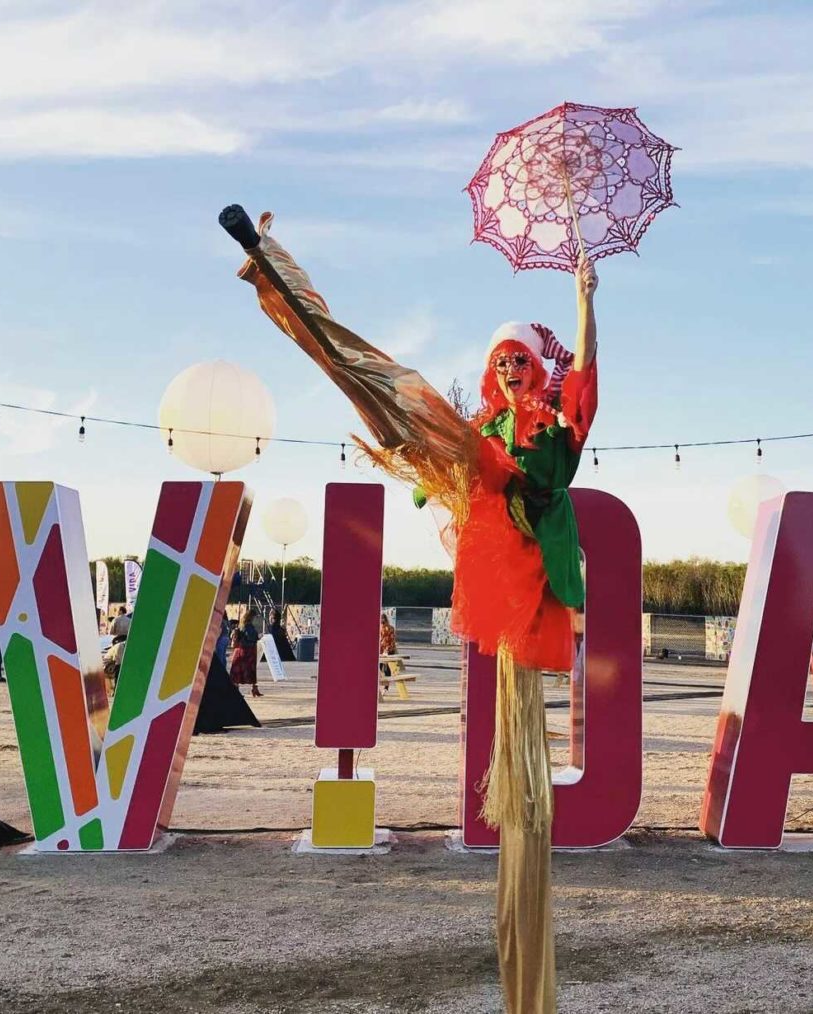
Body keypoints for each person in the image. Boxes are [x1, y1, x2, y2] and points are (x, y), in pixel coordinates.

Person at [231, 209, 598, 1014]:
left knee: (386, 388)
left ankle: (279, 279)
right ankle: (274, 274)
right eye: (500, 360)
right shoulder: (486, 425)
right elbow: (463, 471)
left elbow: (585, 392)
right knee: (376, 386)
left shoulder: (555, 425)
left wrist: (585, 298)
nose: (509, 370)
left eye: (520, 361)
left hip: (527, 577)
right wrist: (440, 478)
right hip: (482, 513)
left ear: (539, 370)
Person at [229, 609, 262, 697]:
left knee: (238, 671)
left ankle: (237, 690)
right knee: (250, 670)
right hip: (248, 651)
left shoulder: (241, 625)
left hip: (240, 650)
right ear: (251, 617)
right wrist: (259, 636)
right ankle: (254, 689)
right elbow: (252, 637)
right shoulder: (249, 626)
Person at [378, 612, 397, 693]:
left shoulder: (390, 628)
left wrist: (387, 650)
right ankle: (381, 685)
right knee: (380, 667)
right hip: (380, 650)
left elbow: (392, 641)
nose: (382, 621)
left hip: (389, 650)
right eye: (381, 619)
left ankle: (386, 688)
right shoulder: (379, 628)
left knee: (387, 669)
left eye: (383, 619)